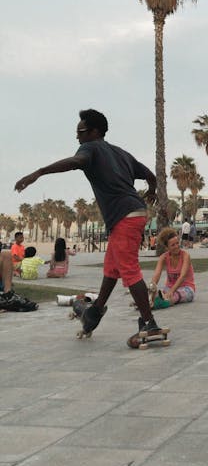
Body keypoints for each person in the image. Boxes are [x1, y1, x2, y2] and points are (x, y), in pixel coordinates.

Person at [14, 108, 164, 348]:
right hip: (132, 214)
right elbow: (149, 175)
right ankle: (94, 312)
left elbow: (77, 162)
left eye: (80, 132)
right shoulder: (120, 152)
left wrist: (40, 172)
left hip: (124, 216)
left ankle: (149, 323)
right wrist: (152, 191)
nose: (77, 137)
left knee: (129, 270)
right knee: (112, 269)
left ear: (95, 132)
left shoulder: (91, 148)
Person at [149, 227, 196, 308]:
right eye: (173, 245)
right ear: (167, 247)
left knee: (174, 296)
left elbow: (182, 276)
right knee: (158, 295)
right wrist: (151, 290)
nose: (177, 246)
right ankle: (149, 302)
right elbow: (156, 275)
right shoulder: (163, 257)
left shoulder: (185, 255)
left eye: (177, 243)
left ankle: (159, 304)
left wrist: (171, 291)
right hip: (169, 288)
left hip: (187, 288)